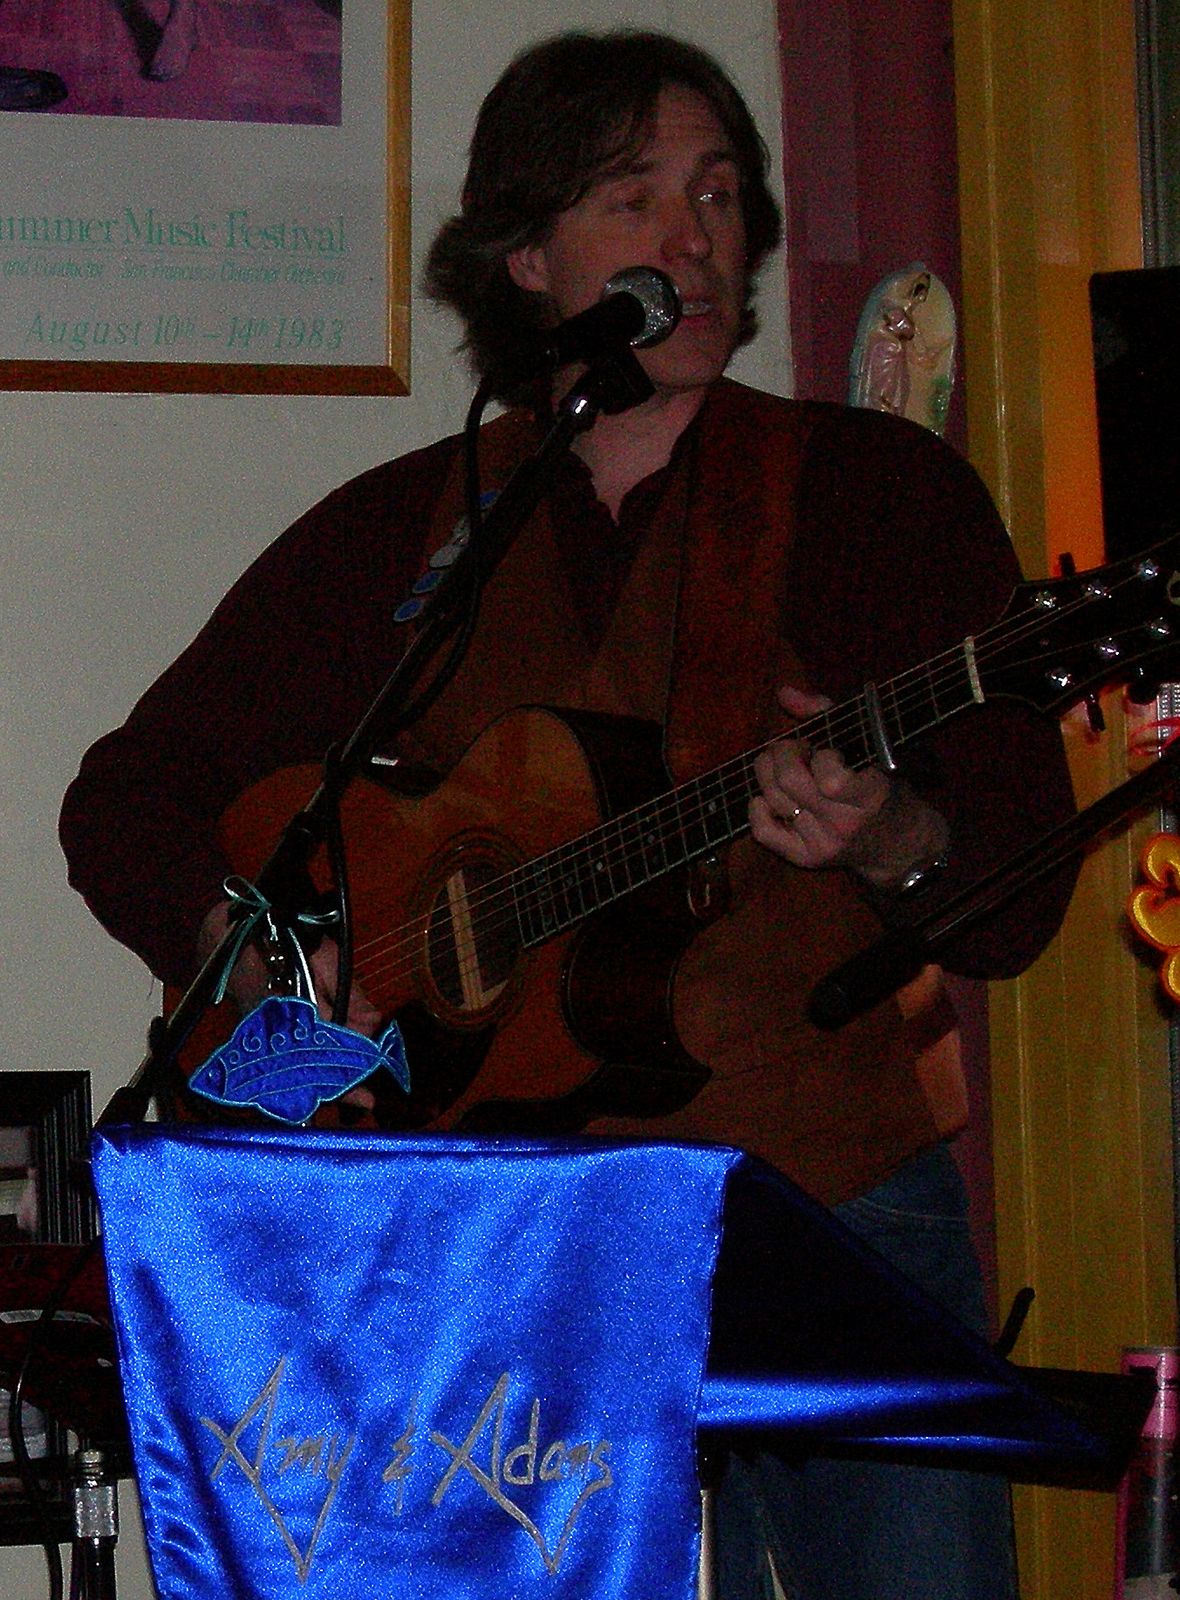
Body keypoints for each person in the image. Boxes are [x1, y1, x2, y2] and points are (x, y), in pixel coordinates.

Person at [60, 29, 1079, 1599]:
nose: (695, 241)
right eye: (634, 200)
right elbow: (131, 794)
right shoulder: (414, 530)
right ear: (528, 260)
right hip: (514, 1239)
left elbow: (1017, 893)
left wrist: (893, 838)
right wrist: (244, 948)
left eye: (720, 196)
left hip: (826, 1201)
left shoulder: (878, 497)